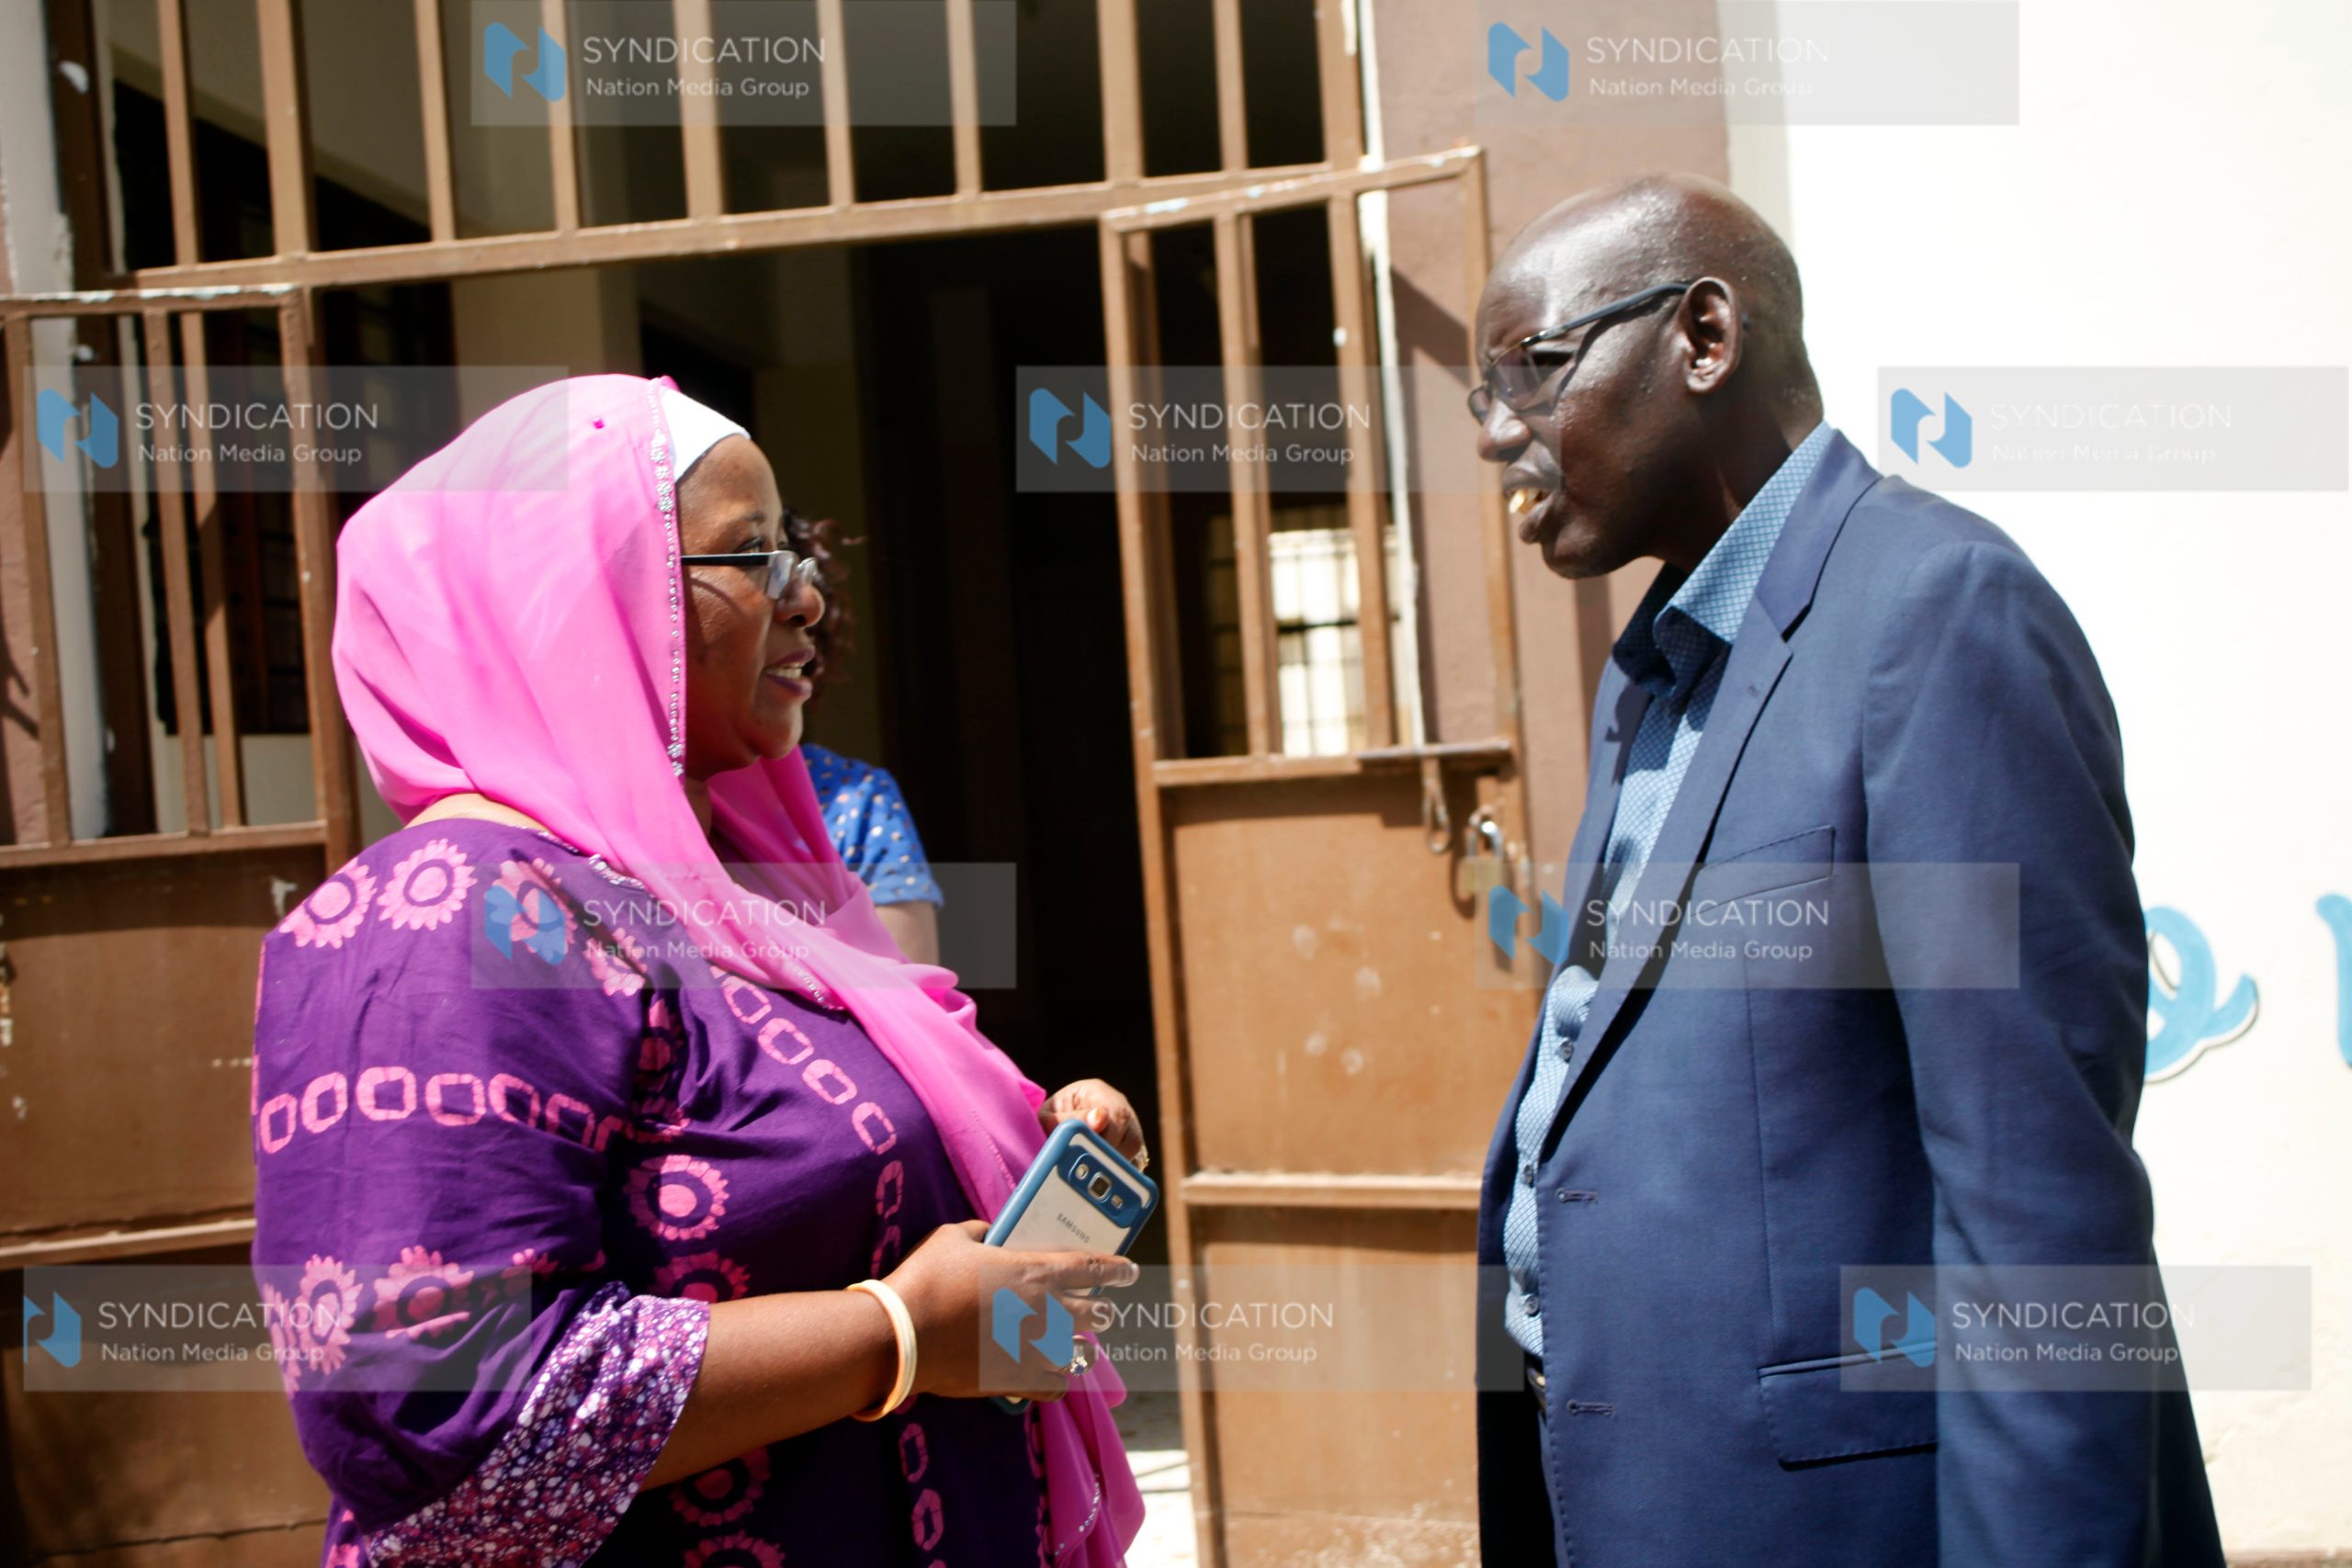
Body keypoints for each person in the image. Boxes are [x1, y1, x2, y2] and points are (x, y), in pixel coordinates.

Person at [250, 375, 1148, 1565]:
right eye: (752, 558)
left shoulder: (728, 888)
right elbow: (423, 1406)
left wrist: (1011, 1154)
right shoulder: (442, 922)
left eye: (797, 555)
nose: (811, 598)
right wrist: (896, 1331)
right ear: (572, 597)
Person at [1467, 175, 2222, 1565]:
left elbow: (2038, 1221)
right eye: (1480, 397)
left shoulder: (1936, 615)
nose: (1499, 436)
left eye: (1533, 369)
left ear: (1703, 335)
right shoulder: (1654, 678)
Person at [773, 514, 946, 965]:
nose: (803, 606)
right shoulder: (597, 814)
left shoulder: (856, 799)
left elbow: (914, 1005)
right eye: (758, 567)